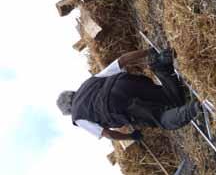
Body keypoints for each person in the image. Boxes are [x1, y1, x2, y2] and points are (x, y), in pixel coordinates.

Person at [56, 48, 200, 141]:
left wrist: (131, 136)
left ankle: (193, 109)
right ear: (73, 93)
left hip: (118, 107)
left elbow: (107, 133)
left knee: (160, 118)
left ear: (69, 111)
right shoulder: (88, 83)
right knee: (170, 99)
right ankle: (160, 66)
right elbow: (121, 61)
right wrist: (148, 52)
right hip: (124, 82)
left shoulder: (78, 117)